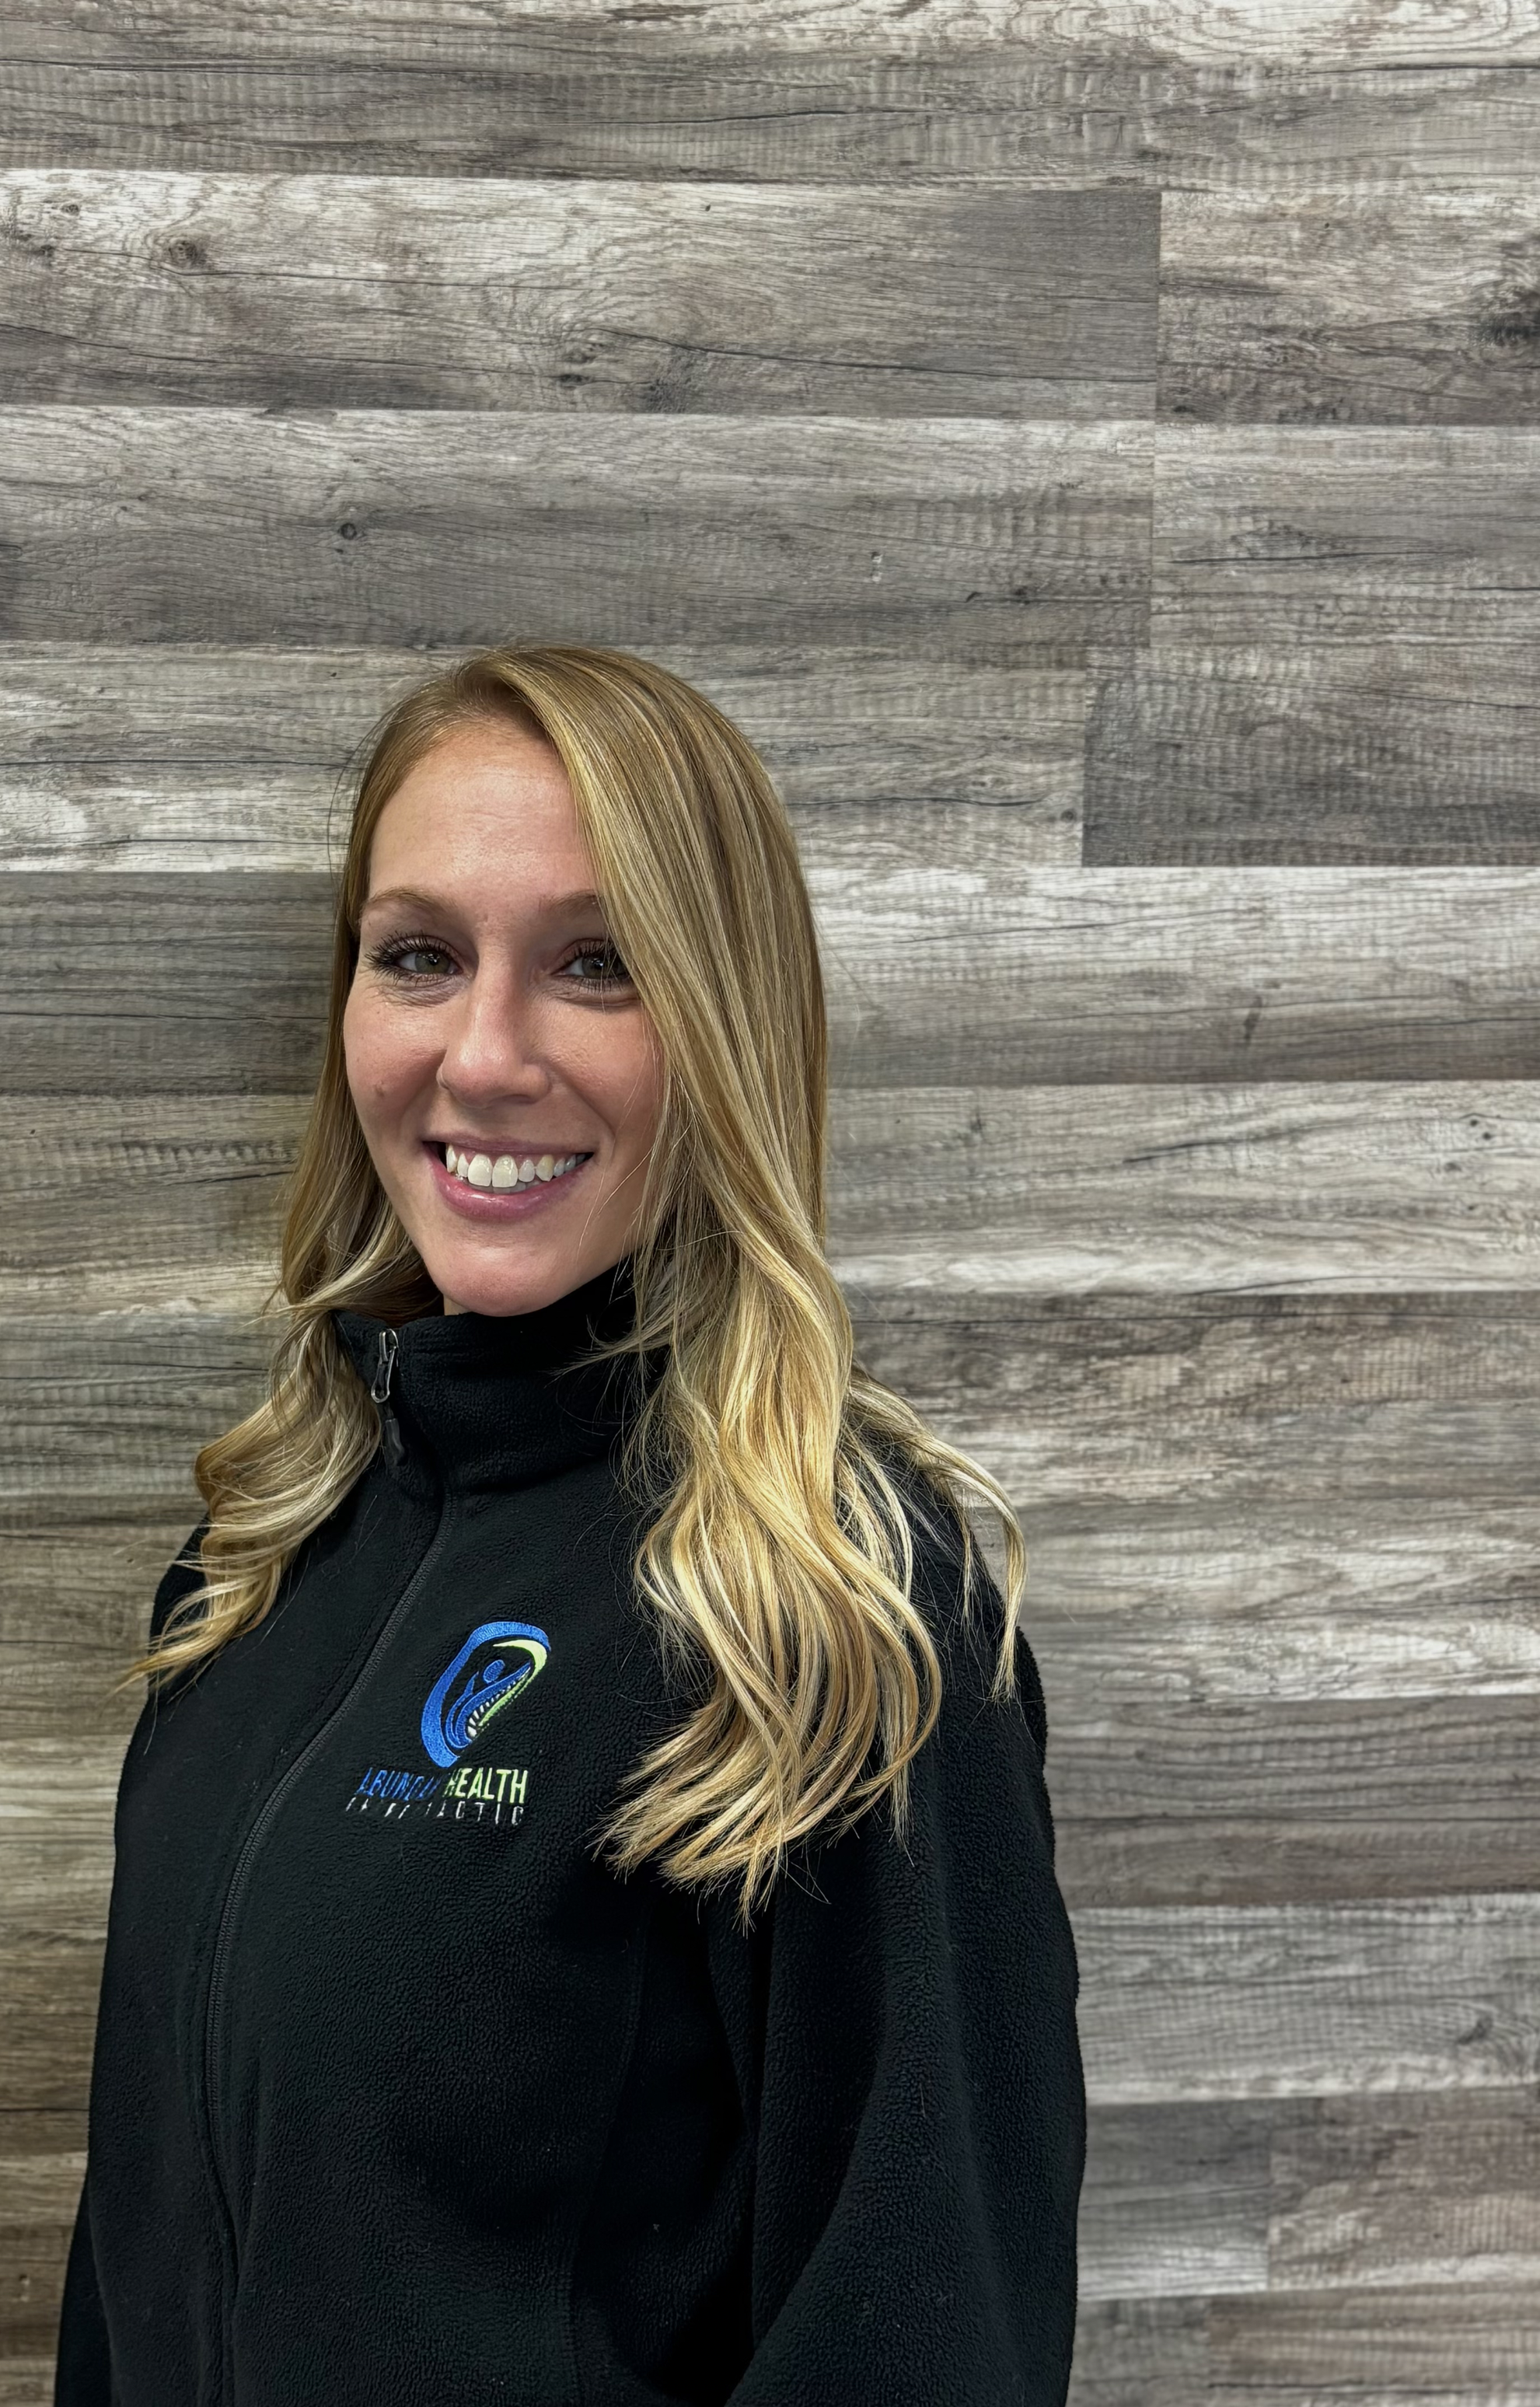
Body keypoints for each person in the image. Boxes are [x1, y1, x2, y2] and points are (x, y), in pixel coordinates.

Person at [54, 643, 1086, 2406]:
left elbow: (928, 2343)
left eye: (595, 965)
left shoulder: (834, 1620)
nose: (486, 1052)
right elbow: (139, 2248)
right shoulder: (257, 1566)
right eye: (419, 958)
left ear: (723, 1023)